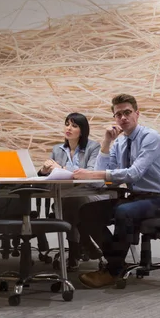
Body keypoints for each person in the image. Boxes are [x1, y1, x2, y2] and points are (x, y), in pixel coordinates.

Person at [72, 94, 160, 288]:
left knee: (123, 211)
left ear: (137, 113)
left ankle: (113, 270)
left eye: (127, 112)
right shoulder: (119, 142)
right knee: (87, 211)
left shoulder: (150, 138)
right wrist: (106, 142)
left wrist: (96, 175)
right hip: (134, 198)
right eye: (118, 114)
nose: (123, 118)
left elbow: (133, 173)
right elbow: (101, 174)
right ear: (114, 118)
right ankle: (117, 263)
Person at [38, 112, 106, 271]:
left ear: (82, 131)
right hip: (66, 196)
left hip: (91, 194)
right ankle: (85, 244)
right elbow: (50, 176)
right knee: (68, 203)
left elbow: (90, 173)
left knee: (71, 204)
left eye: (74, 126)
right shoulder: (57, 149)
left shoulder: (93, 147)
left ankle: (76, 251)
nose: (69, 128)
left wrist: (62, 168)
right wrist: (43, 170)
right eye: (67, 124)